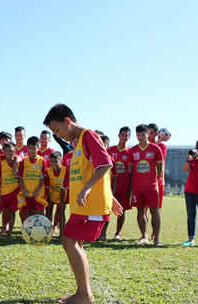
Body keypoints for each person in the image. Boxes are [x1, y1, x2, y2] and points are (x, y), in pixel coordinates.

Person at [43, 103, 122, 304]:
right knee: (75, 243)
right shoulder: (78, 143)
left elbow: (105, 165)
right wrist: (111, 198)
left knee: (67, 239)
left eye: (57, 129)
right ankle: (83, 292)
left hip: (91, 206)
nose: (58, 135)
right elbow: (94, 171)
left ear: (68, 121)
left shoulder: (89, 135)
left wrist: (88, 190)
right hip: (84, 206)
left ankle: (85, 295)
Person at [128, 124, 163, 246]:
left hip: (151, 187)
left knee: (155, 211)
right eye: (138, 135)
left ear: (148, 134)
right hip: (138, 187)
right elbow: (132, 171)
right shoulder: (133, 150)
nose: (140, 137)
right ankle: (144, 236)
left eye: (143, 134)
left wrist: (156, 182)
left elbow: (160, 168)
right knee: (140, 211)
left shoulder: (155, 149)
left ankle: (156, 238)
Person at [0, 142, 20, 239]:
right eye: (6, 151)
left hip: (14, 192)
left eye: (10, 150)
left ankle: (9, 233)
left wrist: (16, 162)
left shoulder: (19, 163)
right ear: (3, 151)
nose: (8, 153)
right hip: (3, 192)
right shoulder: (1, 164)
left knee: (12, 212)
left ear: (14, 151)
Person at [107, 126, 132, 240]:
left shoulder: (130, 152)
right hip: (110, 186)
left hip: (124, 186)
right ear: (118, 135)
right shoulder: (110, 150)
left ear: (129, 137)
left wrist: (130, 189)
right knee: (106, 210)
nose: (124, 137)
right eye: (122, 135)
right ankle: (102, 233)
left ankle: (117, 233)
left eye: (126, 135)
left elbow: (131, 173)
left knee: (121, 211)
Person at [17, 136, 48, 222]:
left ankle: (40, 233)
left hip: (38, 193)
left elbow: (43, 178)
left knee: (39, 214)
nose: (32, 151)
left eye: (34, 148)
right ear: (27, 148)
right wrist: (24, 190)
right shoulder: (24, 161)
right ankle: (26, 231)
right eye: (30, 148)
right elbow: (20, 178)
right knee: (24, 213)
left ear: (38, 148)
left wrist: (37, 191)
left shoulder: (42, 160)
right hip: (26, 192)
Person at [97, 135, 118, 242]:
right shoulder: (93, 157)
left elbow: (115, 176)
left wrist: (113, 190)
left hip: (107, 191)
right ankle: (96, 234)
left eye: (103, 144)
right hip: (96, 191)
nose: (101, 145)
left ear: (107, 146)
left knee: (106, 212)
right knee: (95, 212)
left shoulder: (110, 159)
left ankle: (103, 233)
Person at [45, 151, 68, 238]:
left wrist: (62, 201)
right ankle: (47, 233)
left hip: (61, 197)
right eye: (51, 161)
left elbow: (64, 187)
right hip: (51, 196)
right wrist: (49, 200)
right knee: (48, 211)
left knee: (61, 212)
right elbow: (47, 187)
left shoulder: (65, 171)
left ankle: (62, 234)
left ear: (61, 161)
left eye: (56, 161)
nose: (53, 163)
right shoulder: (48, 171)